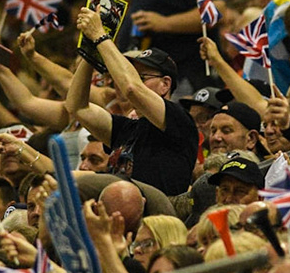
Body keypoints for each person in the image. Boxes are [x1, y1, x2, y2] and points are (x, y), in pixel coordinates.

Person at [68, 12, 200, 195]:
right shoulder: (128, 128)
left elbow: (132, 88)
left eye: (142, 77)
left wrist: (100, 36)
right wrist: (90, 52)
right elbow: (77, 107)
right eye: (132, 73)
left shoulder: (179, 119)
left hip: (157, 217)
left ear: (165, 84)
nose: (127, 80)